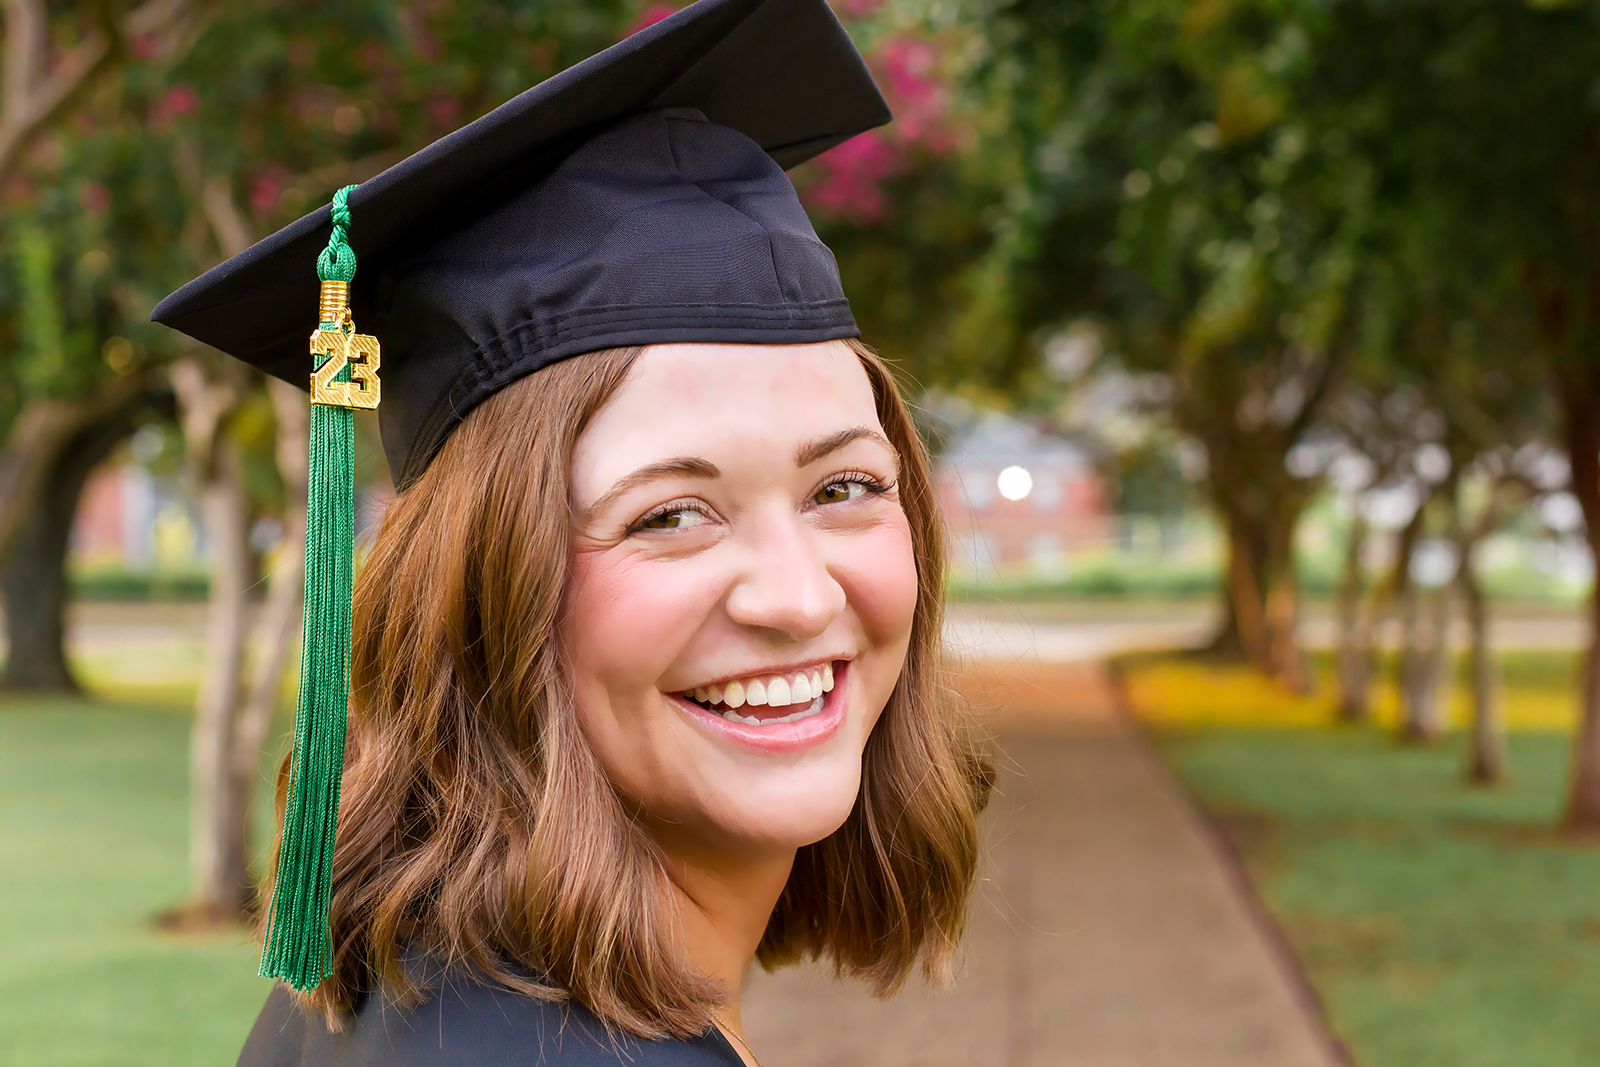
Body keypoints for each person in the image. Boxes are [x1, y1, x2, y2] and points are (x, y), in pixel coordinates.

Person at [152, 0, 993, 1063]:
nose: (798, 595)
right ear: (476, 592)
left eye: (843, 487)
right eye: (669, 513)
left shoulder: (410, 988)